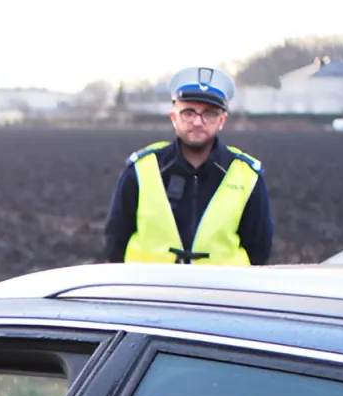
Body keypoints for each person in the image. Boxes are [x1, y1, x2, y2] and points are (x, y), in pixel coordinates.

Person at [104, 66, 273, 266]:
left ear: (222, 120)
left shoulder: (247, 175)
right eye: (188, 112)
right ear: (174, 117)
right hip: (149, 293)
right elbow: (115, 240)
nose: (198, 121)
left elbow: (259, 249)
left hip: (219, 293)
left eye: (209, 113)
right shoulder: (141, 170)